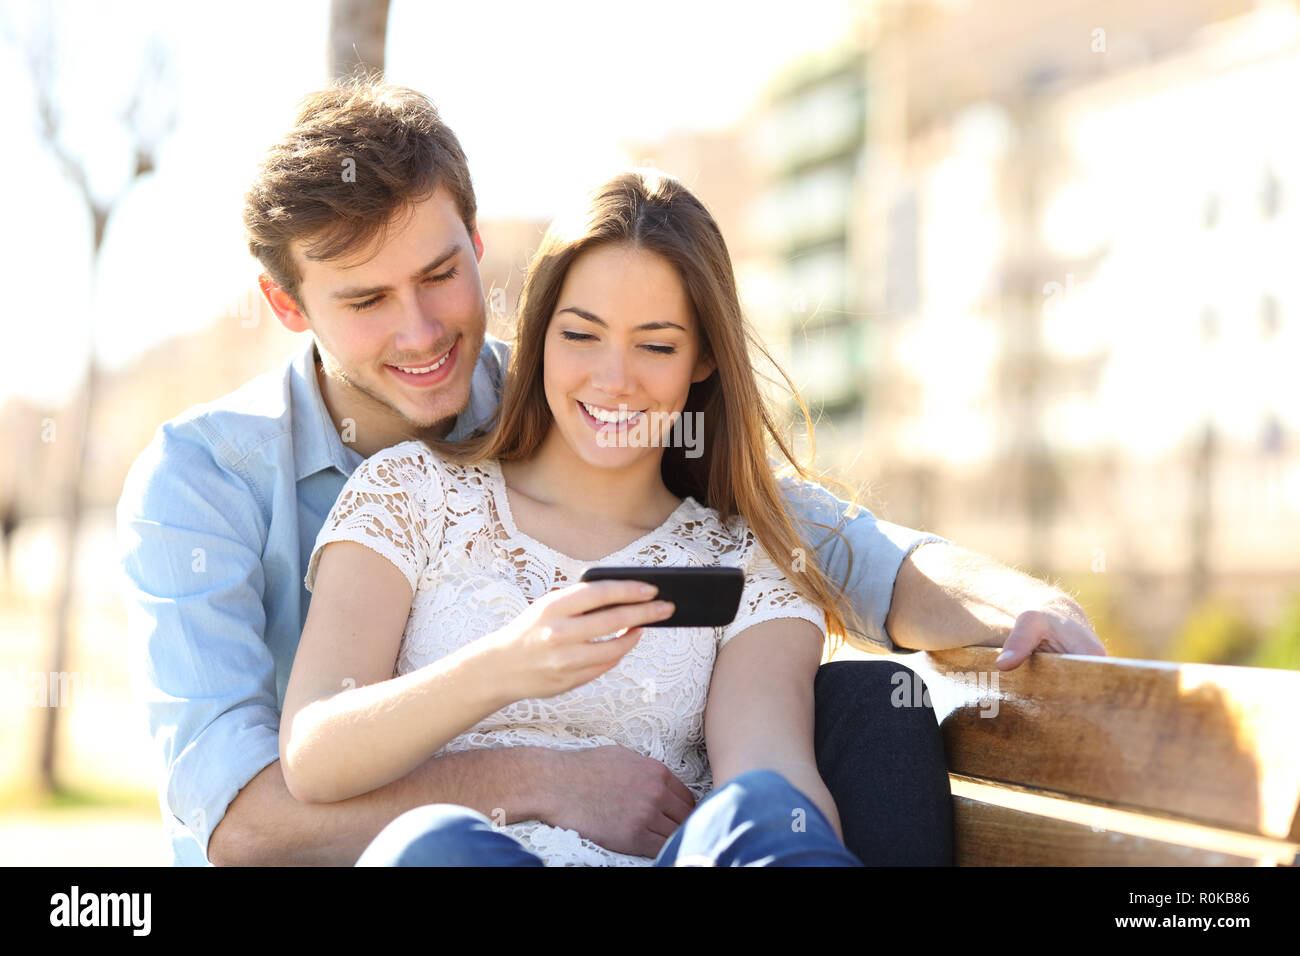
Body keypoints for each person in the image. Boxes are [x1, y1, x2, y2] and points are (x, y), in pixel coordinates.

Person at [116, 78, 1106, 867]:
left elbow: (818, 537)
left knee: (854, 725)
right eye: (367, 298)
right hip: (381, 854)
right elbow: (242, 823)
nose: (421, 331)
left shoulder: (569, 397)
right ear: (288, 307)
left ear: (478, 240)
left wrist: (1016, 600)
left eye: (439, 273)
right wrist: (541, 776)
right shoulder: (203, 482)